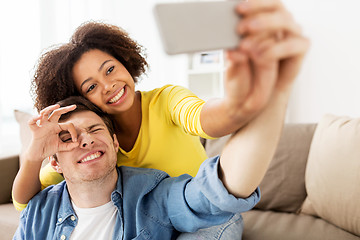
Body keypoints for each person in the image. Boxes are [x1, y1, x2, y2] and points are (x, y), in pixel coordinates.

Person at [13, 0, 309, 237]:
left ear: (125, 62)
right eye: (90, 87)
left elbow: (207, 119)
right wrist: (32, 156)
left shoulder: (166, 100)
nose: (109, 85)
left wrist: (241, 102)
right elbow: (26, 203)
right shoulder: (85, 146)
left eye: (110, 69)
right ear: (79, 99)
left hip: (201, 212)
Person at [14, 70, 294, 239]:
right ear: (54, 161)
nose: (85, 140)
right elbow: (21, 199)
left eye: (94, 129)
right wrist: (32, 155)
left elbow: (215, 190)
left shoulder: (152, 193)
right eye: (68, 138)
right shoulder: (40, 209)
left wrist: (271, 96)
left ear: (114, 142)